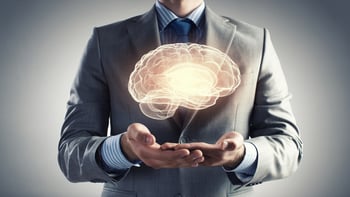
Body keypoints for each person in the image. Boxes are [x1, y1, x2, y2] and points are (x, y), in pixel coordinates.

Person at [58, 0, 303, 196]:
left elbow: (288, 146)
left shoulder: (255, 42)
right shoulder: (106, 41)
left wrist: (241, 155)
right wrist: (124, 150)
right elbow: (71, 152)